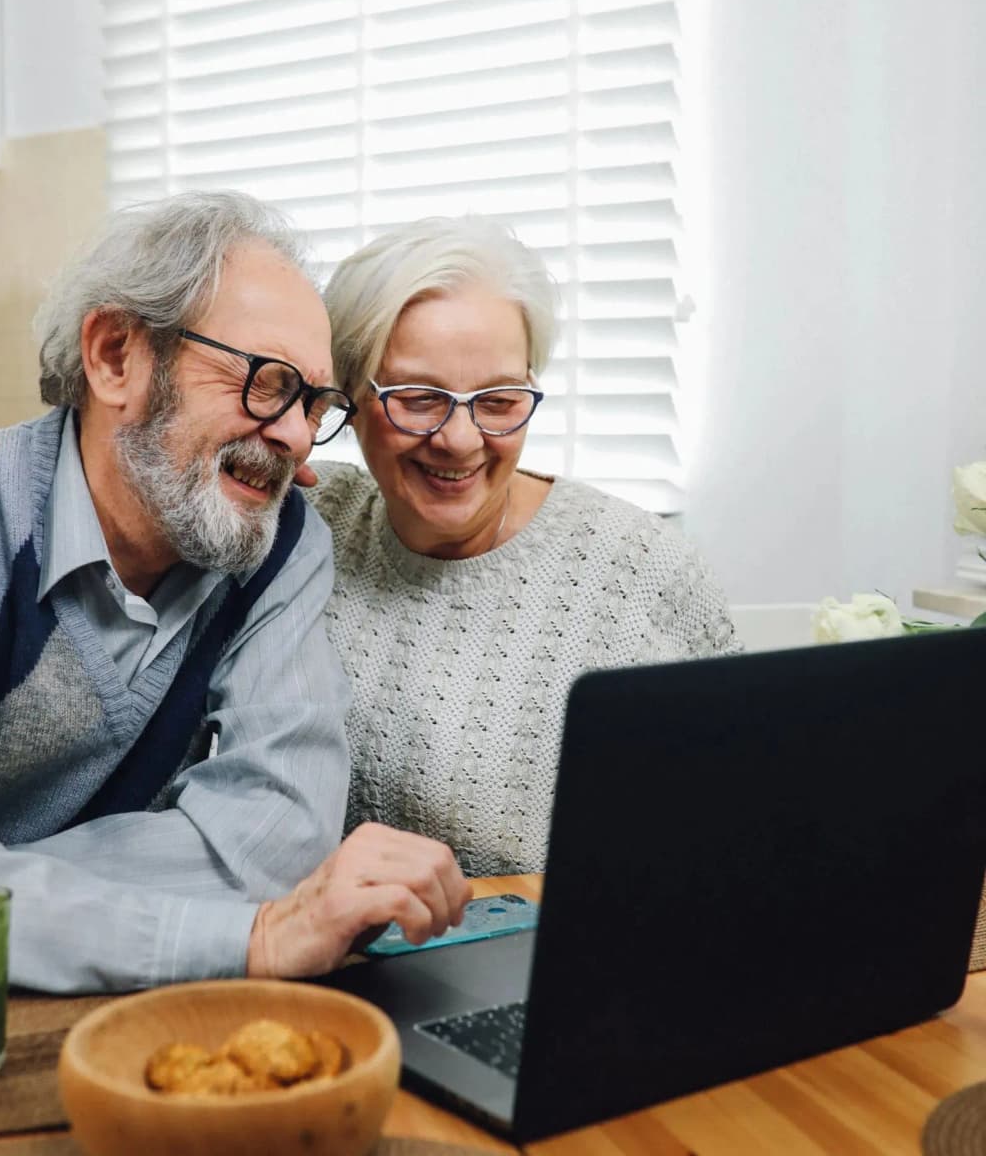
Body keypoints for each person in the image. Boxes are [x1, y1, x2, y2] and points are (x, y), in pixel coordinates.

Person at [0, 191, 469, 992]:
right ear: (116, 357)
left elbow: (279, 837)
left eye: (313, 404)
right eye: (266, 382)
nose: (291, 434)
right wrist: (243, 933)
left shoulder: (279, 545)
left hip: (32, 982)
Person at [306, 215, 740, 877]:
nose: (460, 439)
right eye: (418, 399)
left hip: (551, 956)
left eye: (500, 400)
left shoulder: (641, 571)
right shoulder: (306, 524)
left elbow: (734, 824)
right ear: (348, 399)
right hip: (323, 954)